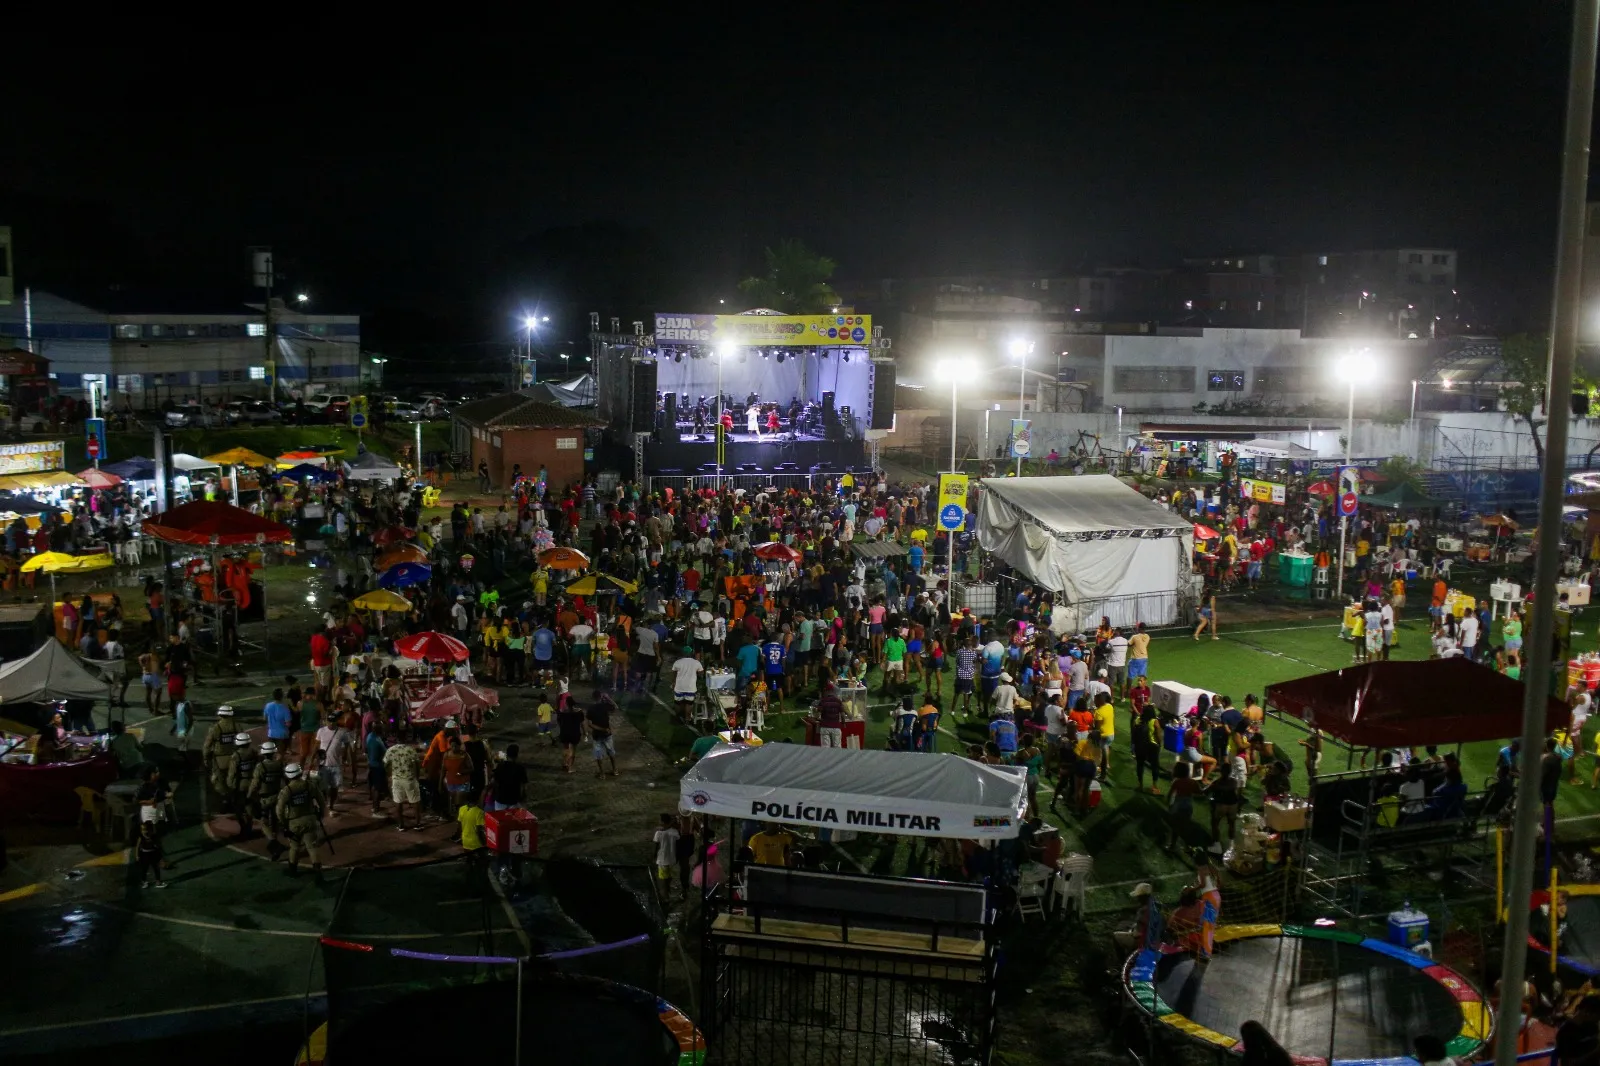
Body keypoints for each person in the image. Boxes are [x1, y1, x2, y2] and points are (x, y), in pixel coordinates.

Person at [274, 762, 325, 879]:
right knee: (312, 846)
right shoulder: (309, 785)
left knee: (295, 847)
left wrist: (283, 823)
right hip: (310, 820)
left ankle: (292, 870)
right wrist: (320, 815)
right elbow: (321, 801)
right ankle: (318, 871)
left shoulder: (286, 790)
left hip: (294, 823)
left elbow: (279, 810)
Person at [383, 737, 423, 831]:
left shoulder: (391, 750)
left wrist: (390, 774)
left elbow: (385, 764)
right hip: (410, 779)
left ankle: (401, 825)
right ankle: (417, 824)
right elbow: (417, 765)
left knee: (398, 802)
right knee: (415, 801)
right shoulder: (410, 750)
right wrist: (417, 777)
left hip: (397, 780)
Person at [587, 689, 618, 777]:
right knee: (611, 753)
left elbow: (590, 724)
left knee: (598, 755)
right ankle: (615, 770)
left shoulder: (591, 709)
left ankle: (602, 773)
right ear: (601, 697)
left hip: (597, 735)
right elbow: (616, 707)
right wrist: (608, 698)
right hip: (607, 734)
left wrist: (601, 729)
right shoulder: (605, 706)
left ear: (593, 697)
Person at [653, 813, 681, 903]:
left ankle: (665, 897)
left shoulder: (659, 833)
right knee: (668, 875)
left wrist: (654, 855)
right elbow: (677, 845)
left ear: (662, 821)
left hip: (662, 859)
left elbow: (656, 846)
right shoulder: (675, 832)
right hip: (672, 858)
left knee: (663, 879)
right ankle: (668, 890)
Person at [134, 820, 168, 890]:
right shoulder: (141, 837)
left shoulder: (154, 836)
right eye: (142, 830)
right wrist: (137, 855)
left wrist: (162, 857)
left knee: (156, 868)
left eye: (146, 829)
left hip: (153, 854)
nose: (144, 832)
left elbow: (159, 846)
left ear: (151, 830)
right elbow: (137, 847)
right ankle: (144, 881)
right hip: (144, 854)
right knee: (144, 869)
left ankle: (158, 882)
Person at [816, 682, 845, 747]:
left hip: (825, 727)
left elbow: (818, 716)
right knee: (837, 748)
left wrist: (820, 719)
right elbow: (842, 714)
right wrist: (843, 723)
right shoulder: (838, 701)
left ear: (827, 691)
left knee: (825, 748)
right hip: (836, 727)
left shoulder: (822, 701)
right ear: (833, 691)